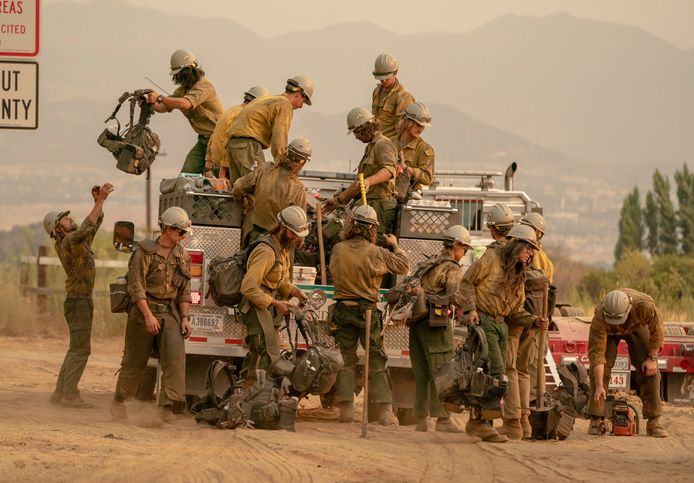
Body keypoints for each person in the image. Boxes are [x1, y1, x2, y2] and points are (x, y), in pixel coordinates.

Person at [456, 224, 548, 442]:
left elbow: (516, 310)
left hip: (501, 327)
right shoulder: (490, 259)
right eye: (527, 248)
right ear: (515, 244)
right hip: (484, 322)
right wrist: (471, 309)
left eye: (532, 250)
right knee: (494, 372)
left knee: (494, 374)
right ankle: (480, 423)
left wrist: (534, 321)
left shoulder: (518, 273)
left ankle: (479, 422)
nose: (530, 254)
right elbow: (467, 282)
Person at [329, 205, 410, 425]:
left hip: (343, 310)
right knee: (376, 360)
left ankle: (345, 409)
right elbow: (404, 267)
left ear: (351, 224)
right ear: (372, 229)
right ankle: (384, 411)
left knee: (346, 359)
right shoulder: (377, 253)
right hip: (367, 312)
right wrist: (395, 246)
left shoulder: (338, 249)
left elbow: (333, 272)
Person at [110, 207, 193, 420]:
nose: (183, 237)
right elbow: (136, 286)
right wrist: (148, 315)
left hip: (169, 313)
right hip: (143, 311)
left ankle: (166, 409)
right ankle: (120, 401)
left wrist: (184, 318)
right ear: (167, 229)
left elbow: (184, 291)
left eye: (185, 233)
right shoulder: (144, 252)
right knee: (134, 362)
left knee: (174, 361)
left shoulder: (182, 256)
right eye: (180, 232)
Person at [44, 183, 114, 408]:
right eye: (64, 219)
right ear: (58, 229)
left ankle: (60, 393)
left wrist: (97, 205)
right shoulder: (69, 242)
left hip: (78, 301)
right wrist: (100, 201)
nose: (69, 218)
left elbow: (92, 226)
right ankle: (70, 395)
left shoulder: (75, 243)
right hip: (79, 302)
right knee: (81, 350)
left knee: (75, 349)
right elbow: (85, 229)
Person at [409, 225, 470, 433]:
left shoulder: (429, 262)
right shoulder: (452, 269)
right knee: (442, 371)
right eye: (465, 249)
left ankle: (420, 419)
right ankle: (443, 419)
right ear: (456, 246)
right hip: (435, 324)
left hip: (416, 323)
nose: (464, 255)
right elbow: (457, 297)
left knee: (421, 372)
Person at [239, 206, 309, 382]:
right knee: (267, 351)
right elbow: (248, 287)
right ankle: (255, 394)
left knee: (258, 352)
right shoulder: (266, 251)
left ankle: (244, 391)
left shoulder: (282, 249)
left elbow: (279, 281)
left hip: (265, 305)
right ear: (282, 228)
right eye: (293, 234)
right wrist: (276, 303)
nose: (296, 239)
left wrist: (295, 291)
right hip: (255, 306)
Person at [586, 289, 668, 437]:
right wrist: (599, 385)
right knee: (598, 372)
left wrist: (652, 359)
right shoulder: (599, 318)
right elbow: (597, 356)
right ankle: (596, 420)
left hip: (637, 325)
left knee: (649, 370)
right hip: (609, 333)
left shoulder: (645, 306)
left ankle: (653, 422)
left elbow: (658, 332)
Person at [322, 107, 397, 245]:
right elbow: (359, 183)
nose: (356, 137)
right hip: (369, 204)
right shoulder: (370, 147)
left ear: (365, 128)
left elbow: (389, 170)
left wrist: (369, 181)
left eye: (357, 132)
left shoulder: (383, 144)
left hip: (379, 205)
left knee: (374, 245)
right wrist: (338, 200)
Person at [146, 49, 223, 174]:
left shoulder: (204, 86)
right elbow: (164, 107)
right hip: (203, 141)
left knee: (214, 176)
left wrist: (159, 97)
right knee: (187, 174)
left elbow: (186, 103)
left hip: (218, 140)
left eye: (182, 74)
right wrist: (148, 103)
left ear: (191, 71)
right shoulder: (182, 90)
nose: (180, 78)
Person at [226, 76, 314, 182]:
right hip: (248, 146)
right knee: (260, 185)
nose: (301, 106)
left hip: (233, 144)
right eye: (303, 101)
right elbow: (279, 139)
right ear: (298, 94)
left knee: (239, 190)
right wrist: (283, 166)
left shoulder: (269, 99)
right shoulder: (284, 104)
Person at [232, 137, 310, 248]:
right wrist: (299, 242)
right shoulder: (298, 188)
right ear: (302, 163)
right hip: (279, 241)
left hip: (255, 235)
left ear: (287, 152)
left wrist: (242, 201)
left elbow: (238, 187)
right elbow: (299, 224)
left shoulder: (264, 169)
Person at [519, 212, 555, 436]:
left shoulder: (536, 258)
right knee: (532, 366)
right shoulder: (544, 259)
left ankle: (529, 412)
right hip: (536, 319)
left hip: (531, 320)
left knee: (529, 366)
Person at [206, 86, 271, 180]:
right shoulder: (242, 115)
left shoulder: (232, 110)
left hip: (220, 165)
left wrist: (208, 167)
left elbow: (213, 137)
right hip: (228, 168)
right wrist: (222, 174)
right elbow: (229, 140)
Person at [390, 102, 435, 193]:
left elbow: (427, 178)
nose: (421, 129)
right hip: (386, 193)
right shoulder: (389, 143)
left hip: (408, 197)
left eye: (423, 127)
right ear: (407, 121)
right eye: (418, 125)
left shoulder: (425, 149)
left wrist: (407, 169)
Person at [371, 53, 415, 138]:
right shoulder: (376, 92)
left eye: (386, 78)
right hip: (377, 143)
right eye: (381, 78)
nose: (383, 81)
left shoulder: (403, 96)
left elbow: (404, 130)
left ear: (395, 73)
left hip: (392, 146)